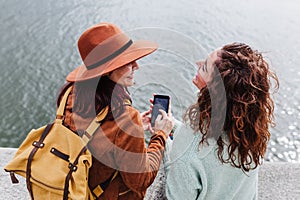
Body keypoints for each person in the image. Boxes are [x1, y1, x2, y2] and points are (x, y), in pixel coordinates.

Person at [57, 22, 174, 199]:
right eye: (127, 61)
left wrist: (133, 131)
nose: (136, 66)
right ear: (106, 71)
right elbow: (140, 180)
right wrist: (160, 135)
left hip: (71, 186)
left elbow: (95, 136)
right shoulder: (124, 117)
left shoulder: (69, 94)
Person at [166, 43, 279, 200]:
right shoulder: (251, 131)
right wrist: (172, 126)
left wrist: (164, 142)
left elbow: (178, 188)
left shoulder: (188, 147)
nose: (198, 63)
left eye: (205, 67)